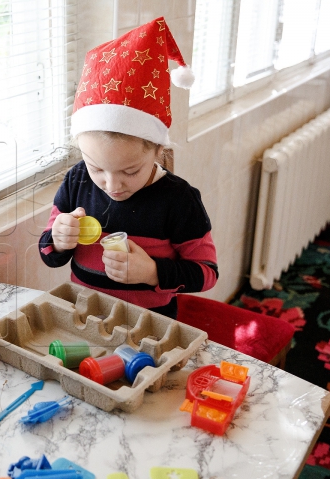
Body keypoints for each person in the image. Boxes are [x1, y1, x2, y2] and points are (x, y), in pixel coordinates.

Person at [38, 17, 218, 319]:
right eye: (97, 168)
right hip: (86, 319)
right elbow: (49, 254)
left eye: (130, 171)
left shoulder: (179, 200)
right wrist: (58, 239)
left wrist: (151, 272)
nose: (111, 185)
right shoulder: (77, 181)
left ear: (158, 150)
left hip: (150, 328)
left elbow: (207, 273)